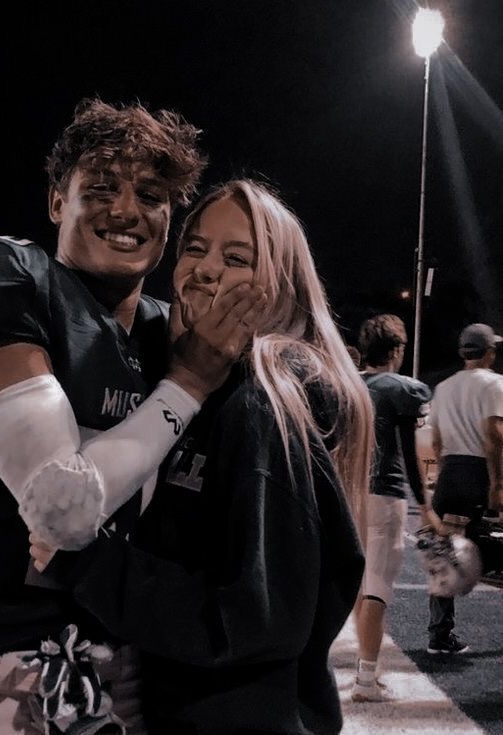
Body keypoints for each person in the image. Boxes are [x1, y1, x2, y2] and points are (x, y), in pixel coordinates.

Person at [0, 99, 263, 734]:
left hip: (122, 662)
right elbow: (61, 508)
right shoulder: (7, 278)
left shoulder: (164, 330)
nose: (127, 211)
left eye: (151, 195)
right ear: (55, 203)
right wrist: (187, 384)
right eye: (100, 188)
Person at [31, 179, 375, 734]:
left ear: (280, 284)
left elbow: (255, 616)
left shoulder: (263, 401)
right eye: (195, 247)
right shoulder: (222, 386)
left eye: (236, 258)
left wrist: (88, 563)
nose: (206, 268)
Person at [351, 314, 432, 702]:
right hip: (384, 492)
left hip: (348, 492)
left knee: (359, 585)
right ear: (397, 350)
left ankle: (366, 670)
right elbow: (409, 454)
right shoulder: (401, 389)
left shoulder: (346, 383)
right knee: (378, 587)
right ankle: (366, 680)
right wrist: (425, 504)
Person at [425, 322, 503, 654]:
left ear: (462, 353)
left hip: (451, 474)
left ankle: (439, 636)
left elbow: (438, 440)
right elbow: (494, 436)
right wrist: (497, 485)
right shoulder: (495, 384)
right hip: (479, 472)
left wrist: (444, 474)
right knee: (494, 546)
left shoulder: (443, 388)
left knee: (445, 555)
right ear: (489, 352)